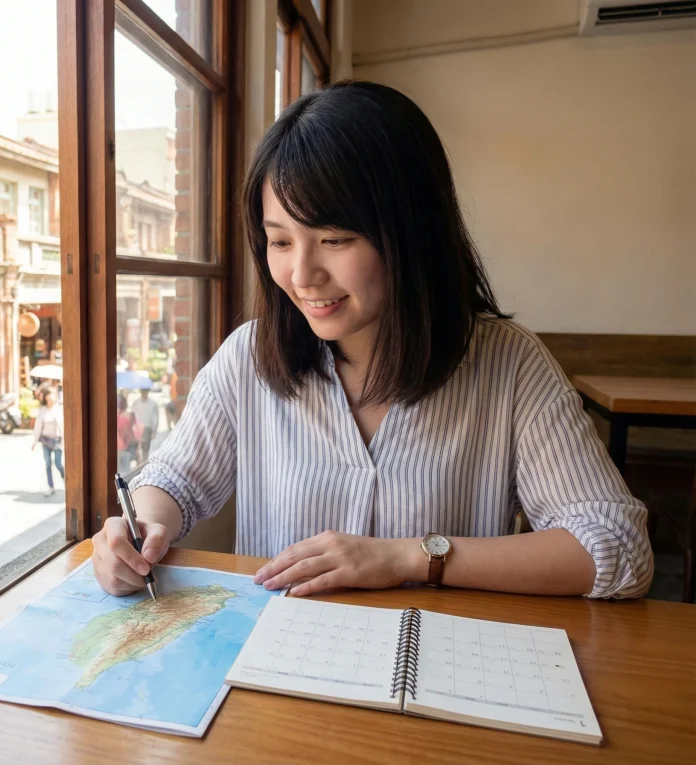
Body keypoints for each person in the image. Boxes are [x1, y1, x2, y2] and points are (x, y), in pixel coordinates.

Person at [91, 81, 652, 601]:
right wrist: (137, 526)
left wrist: (410, 557)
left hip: (437, 673)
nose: (302, 274)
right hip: (278, 675)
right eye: (280, 241)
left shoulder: (507, 365)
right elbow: (177, 482)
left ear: (410, 234)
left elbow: (618, 549)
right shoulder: (248, 358)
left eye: (335, 239)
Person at [32, 389, 64, 497]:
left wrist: (64, 441)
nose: (50, 399)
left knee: (59, 464)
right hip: (45, 440)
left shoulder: (59, 410)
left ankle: (66, 480)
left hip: (57, 440)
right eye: (48, 397)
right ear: (45, 398)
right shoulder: (42, 410)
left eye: (52, 397)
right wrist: (34, 441)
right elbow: (38, 427)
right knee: (48, 464)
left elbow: (63, 427)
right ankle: (51, 486)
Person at [130, 388, 159, 462]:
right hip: (137, 429)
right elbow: (132, 416)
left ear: (148, 392)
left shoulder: (153, 403)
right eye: (142, 391)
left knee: (145, 449)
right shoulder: (136, 403)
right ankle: (139, 464)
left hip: (147, 428)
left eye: (145, 391)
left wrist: (154, 431)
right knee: (137, 449)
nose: (144, 393)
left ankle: (143, 465)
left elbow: (155, 418)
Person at [116, 394, 139, 475]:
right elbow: (136, 428)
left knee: (119, 468)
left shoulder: (116, 416)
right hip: (129, 443)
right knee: (127, 469)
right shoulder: (130, 415)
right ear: (126, 404)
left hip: (119, 445)